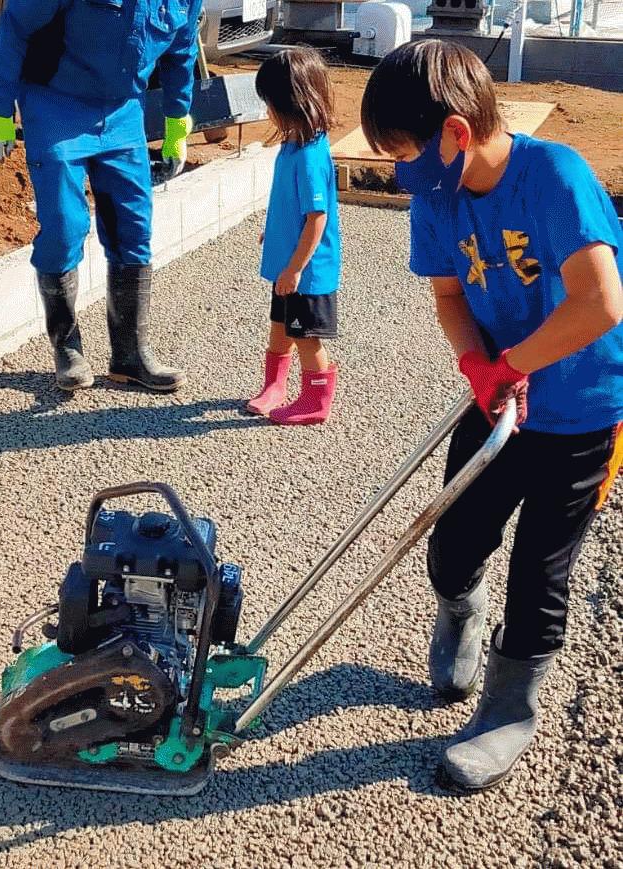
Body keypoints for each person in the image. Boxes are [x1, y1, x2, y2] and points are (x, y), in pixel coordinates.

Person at [360, 40, 622, 791]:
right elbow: (449, 297)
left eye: (405, 152)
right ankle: (459, 610)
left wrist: (513, 363)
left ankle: (510, 707)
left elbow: (600, 302)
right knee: (453, 539)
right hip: (500, 398)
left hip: (581, 410)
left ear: (454, 133)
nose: (400, 170)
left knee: (541, 566)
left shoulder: (554, 177)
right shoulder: (437, 198)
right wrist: (479, 366)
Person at [0, 0, 202, 392]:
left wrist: (176, 122)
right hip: (56, 105)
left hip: (123, 113)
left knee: (133, 229)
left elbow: (181, 51)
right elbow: (16, 26)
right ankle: (67, 349)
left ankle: (130, 356)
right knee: (64, 227)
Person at [247, 47, 341, 426]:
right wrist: (273, 231)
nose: (267, 111)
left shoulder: (308, 157)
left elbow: (317, 218)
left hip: (305, 272)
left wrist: (296, 269)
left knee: (306, 336)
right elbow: (292, 204)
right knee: (279, 328)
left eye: (270, 103)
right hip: (288, 265)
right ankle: (275, 386)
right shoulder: (292, 145)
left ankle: (316, 400)